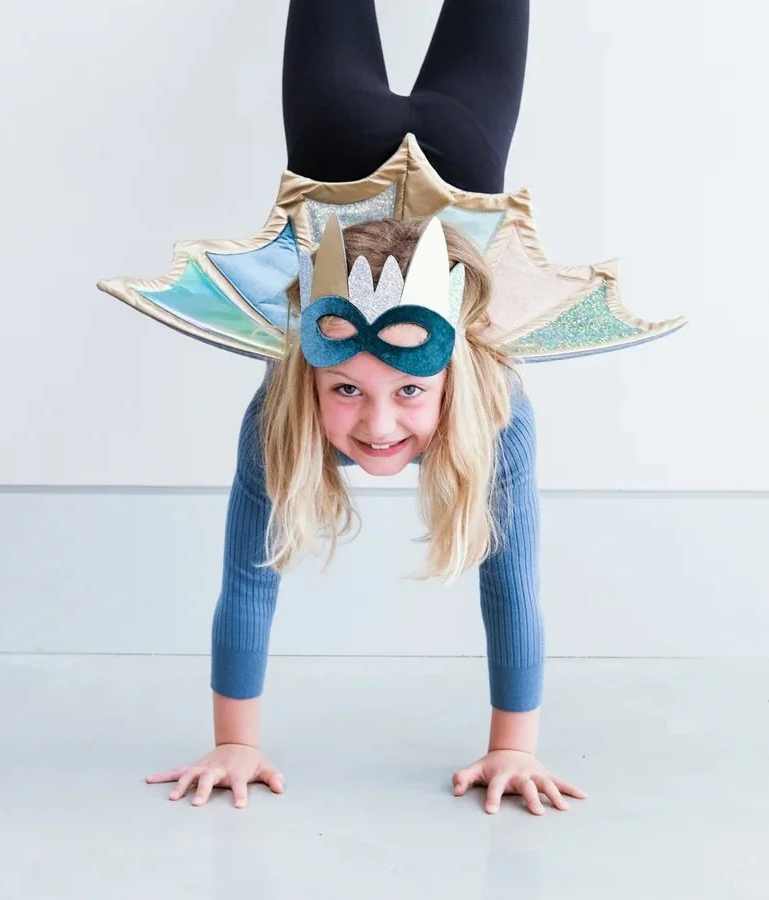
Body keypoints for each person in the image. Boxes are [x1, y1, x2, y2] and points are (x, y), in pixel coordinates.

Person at [141, 0, 595, 816]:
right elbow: (247, 581)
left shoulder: (496, 411)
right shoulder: (277, 415)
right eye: (346, 389)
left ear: (456, 380)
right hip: (464, 147)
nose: (379, 426)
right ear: (307, 379)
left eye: (411, 390)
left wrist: (511, 751)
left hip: (334, 137)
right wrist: (237, 741)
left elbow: (512, 584)